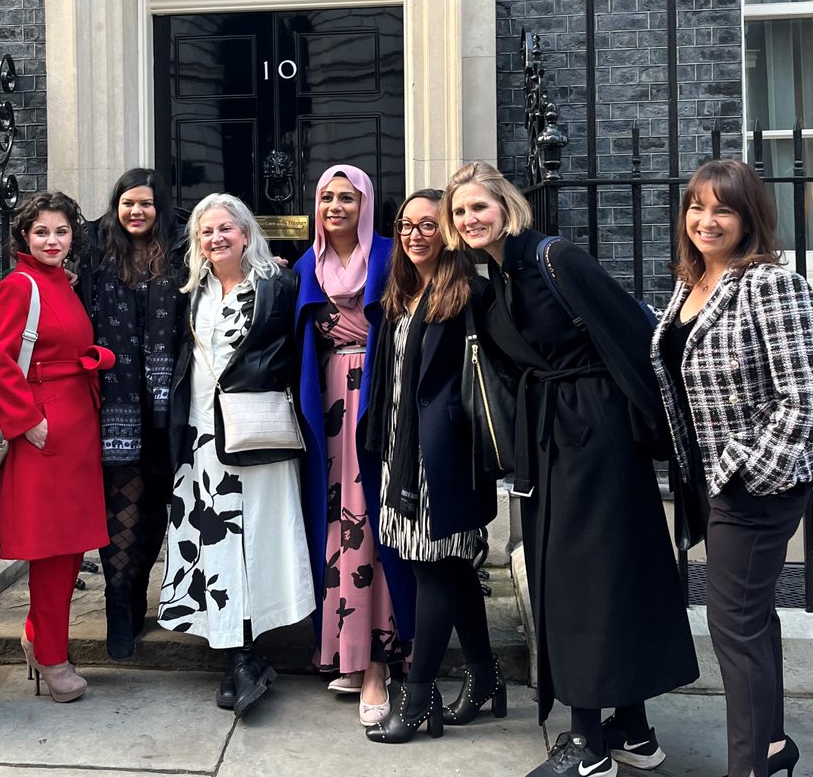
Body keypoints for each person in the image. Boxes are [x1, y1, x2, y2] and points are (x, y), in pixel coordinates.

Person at [445, 161, 698, 777]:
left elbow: (639, 334)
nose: (470, 219)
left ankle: (588, 746)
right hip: (549, 438)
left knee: (584, 582)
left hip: (595, 434)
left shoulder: (557, 258)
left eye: (479, 206)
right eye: (460, 213)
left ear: (507, 205)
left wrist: (646, 437)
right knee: (588, 579)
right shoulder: (494, 279)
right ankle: (632, 732)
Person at [651, 160, 813, 777]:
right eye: (696, 207)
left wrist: (745, 473)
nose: (706, 220)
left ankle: (748, 765)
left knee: (733, 627)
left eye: (722, 209)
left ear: (748, 216)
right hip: (713, 478)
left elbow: (807, 394)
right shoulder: (691, 282)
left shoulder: (770, 284)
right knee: (750, 619)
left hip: (755, 484)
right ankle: (772, 746)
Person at [157, 193, 315, 719]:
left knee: (259, 540)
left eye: (226, 228)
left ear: (246, 234)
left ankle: (246, 654)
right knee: (216, 543)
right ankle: (237, 657)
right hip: (202, 436)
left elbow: (302, 349)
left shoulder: (279, 284)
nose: (216, 238)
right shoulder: (192, 290)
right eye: (206, 232)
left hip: (257, 434)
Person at [363, 189, 503, 745]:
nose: (415, 233)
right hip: (401, 451)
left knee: (432, 569)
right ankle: (486, 676)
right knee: (453, 569)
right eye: (405, 225)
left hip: (446, 456)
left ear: (447, 232)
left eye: (427, 224)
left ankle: (418, 698)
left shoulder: (472, 293)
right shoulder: (399, 292)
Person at [0, 191, 115, 703]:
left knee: (71, 544)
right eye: (41, 232)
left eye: (60, 231)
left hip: (76, 421)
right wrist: (26, 421)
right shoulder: (18, 286)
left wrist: (96, 356)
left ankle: (41, 639)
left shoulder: (62, 282)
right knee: (52, 550)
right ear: (24, 237)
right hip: (45, 427)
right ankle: (51, 655)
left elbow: (66, 343)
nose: (52, 240)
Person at [294, 165, 412, 726]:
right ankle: (345, 648)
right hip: (329, 409)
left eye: (346, 197)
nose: (335, 206)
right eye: (326, 198)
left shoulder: (393, 256)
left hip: (383, 403)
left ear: (366, 203)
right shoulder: (302, 266)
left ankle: (379, 665)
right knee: (339, 522)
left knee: (375, 521)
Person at [81, 168, 185, 660]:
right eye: (128, 203)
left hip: (168, 404)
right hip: (113, 401)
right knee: (120, 504)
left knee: (156, 507)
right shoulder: (93, 249)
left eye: (145, 203)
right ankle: (116, 605)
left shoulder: (183, 250)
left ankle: (139, 593)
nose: (136, 212)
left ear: (159, 208)